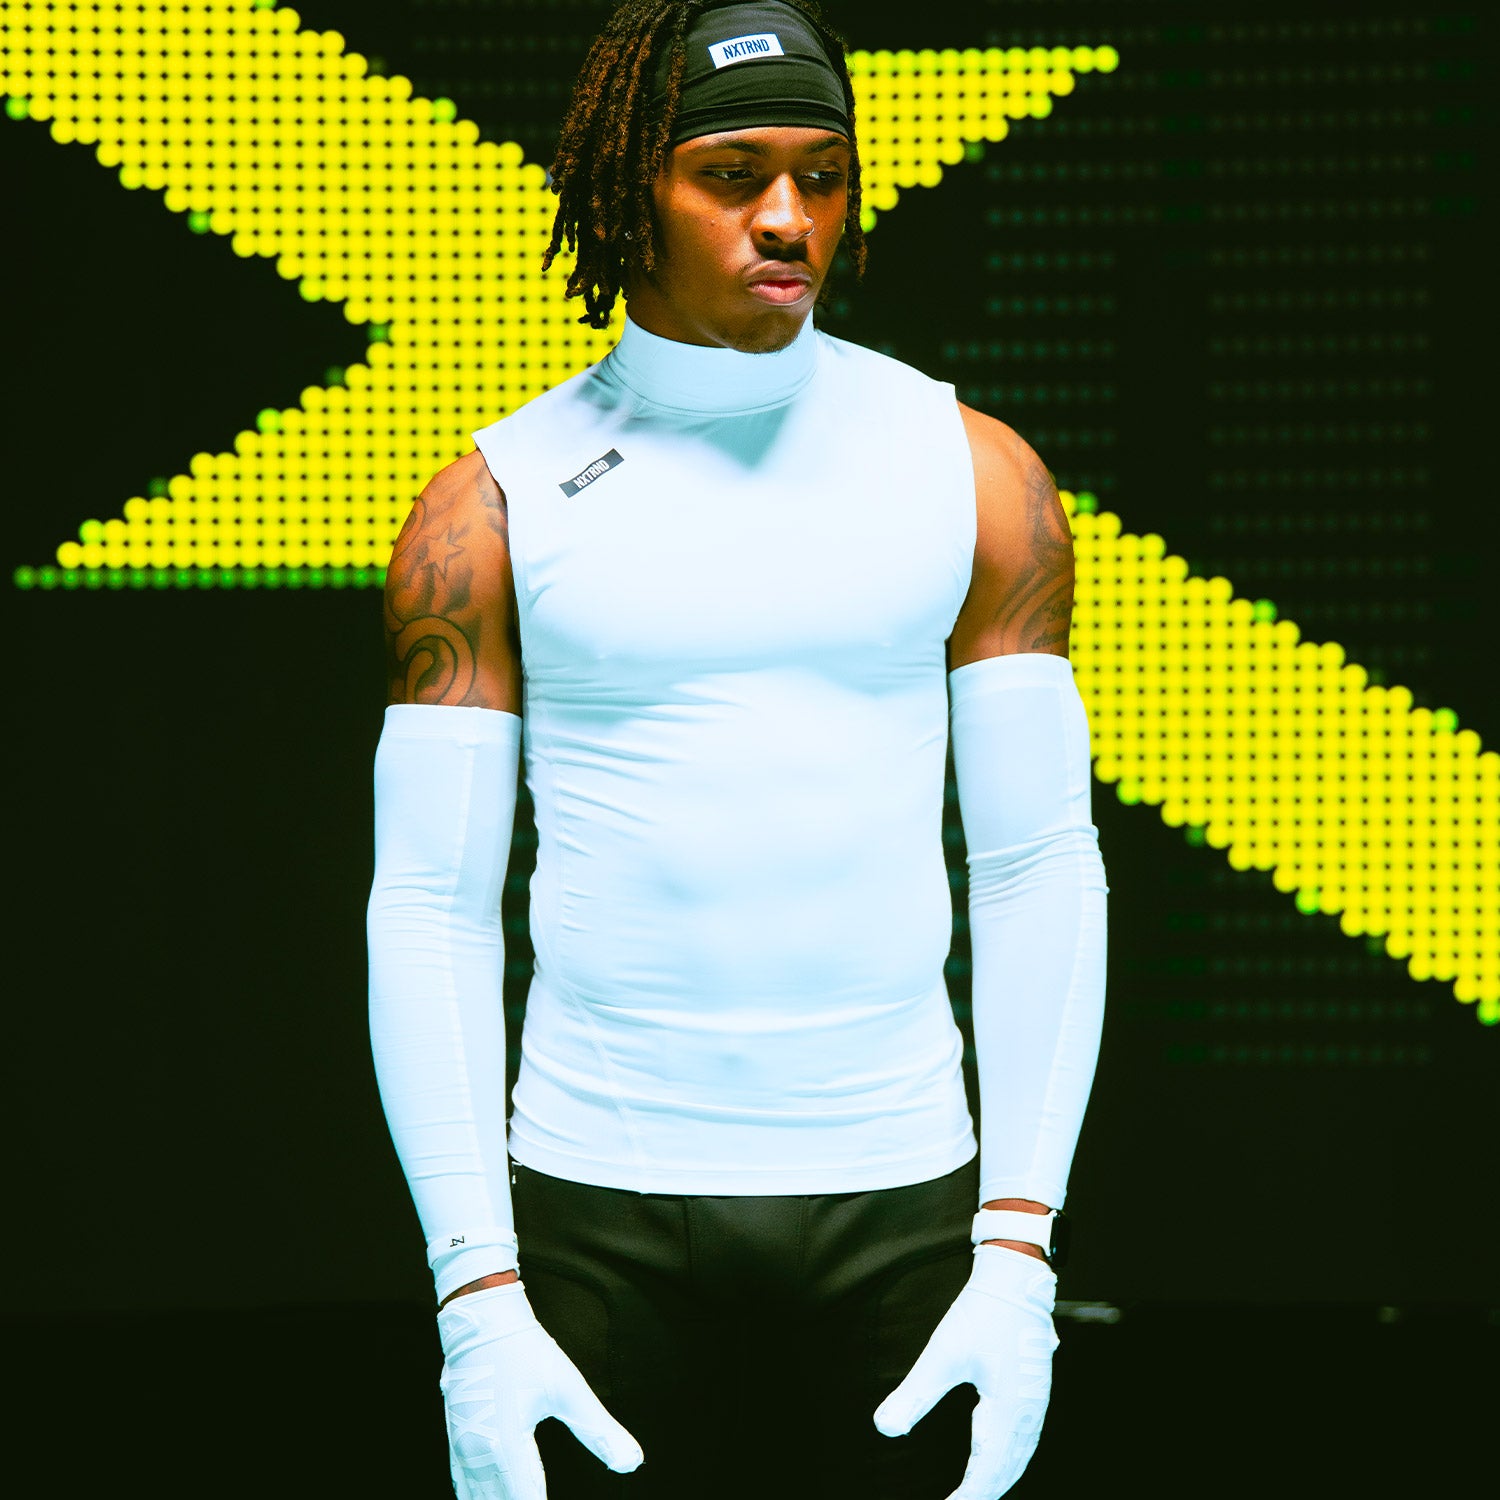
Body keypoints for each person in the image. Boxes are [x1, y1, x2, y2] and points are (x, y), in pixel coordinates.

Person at [366, 2, 1109, 1497]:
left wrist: (1020, 1247)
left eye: (822, 176)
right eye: (731, 174)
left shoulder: (974, 473)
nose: (788, 217)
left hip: (908, 1209)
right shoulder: (494, 503)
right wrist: (475, 1293)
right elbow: (429, 905)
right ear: (630, 187)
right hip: (593, 1221)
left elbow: (1039, 864)